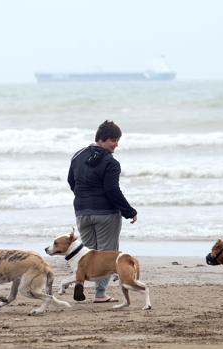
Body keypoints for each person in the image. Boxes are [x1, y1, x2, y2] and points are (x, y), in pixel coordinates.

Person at [67, 120, 137, 303]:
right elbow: (112, 190)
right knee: (106, 254)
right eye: (113, 140)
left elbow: (71, 181)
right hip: (105, 213)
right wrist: (129, 211)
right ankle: (100, 294)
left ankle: (81, 284)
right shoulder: (111, 162)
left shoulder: (77, 155)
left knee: (87, 255)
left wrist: (83, 198)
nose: (116, 144)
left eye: (117, 140)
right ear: (102, 139)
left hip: (82, 211)